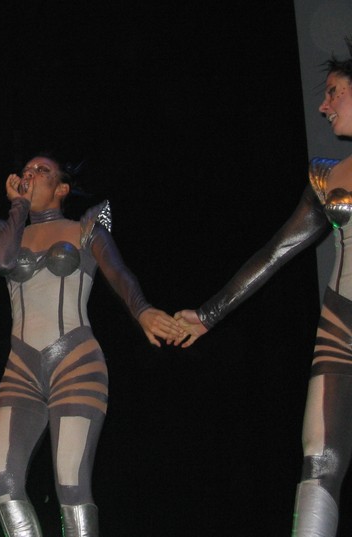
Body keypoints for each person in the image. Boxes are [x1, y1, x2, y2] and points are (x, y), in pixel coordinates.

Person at [174, 39, 352, 537]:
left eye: (334, 92)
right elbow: (275, 253)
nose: (324, 106)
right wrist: (207, 315)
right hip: (340, 326)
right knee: (319, 459)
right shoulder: (327, 177)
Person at [0, 153, 183, 537]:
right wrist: (18, 206)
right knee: (1, 479)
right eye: (26, 171)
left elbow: (119, 273)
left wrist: (142, 310)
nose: (30, 174)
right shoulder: (9, 232)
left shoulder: (86, 229)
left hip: (75, 361)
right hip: (20, 368)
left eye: (41, 171)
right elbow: (0, 261)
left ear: (61, 188)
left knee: (70, 482)